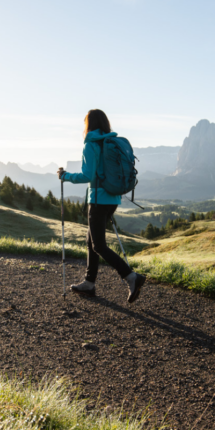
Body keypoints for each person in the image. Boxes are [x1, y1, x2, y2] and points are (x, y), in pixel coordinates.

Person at [58, 109, 146, 303]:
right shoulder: (111, 141)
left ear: (88, 124)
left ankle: (131, 277)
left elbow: (87, 176)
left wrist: (66, 177)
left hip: (98, 200)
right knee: (91, 242)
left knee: (98, 245)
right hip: (113, 199)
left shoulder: (91, 144)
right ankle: (89, 283)